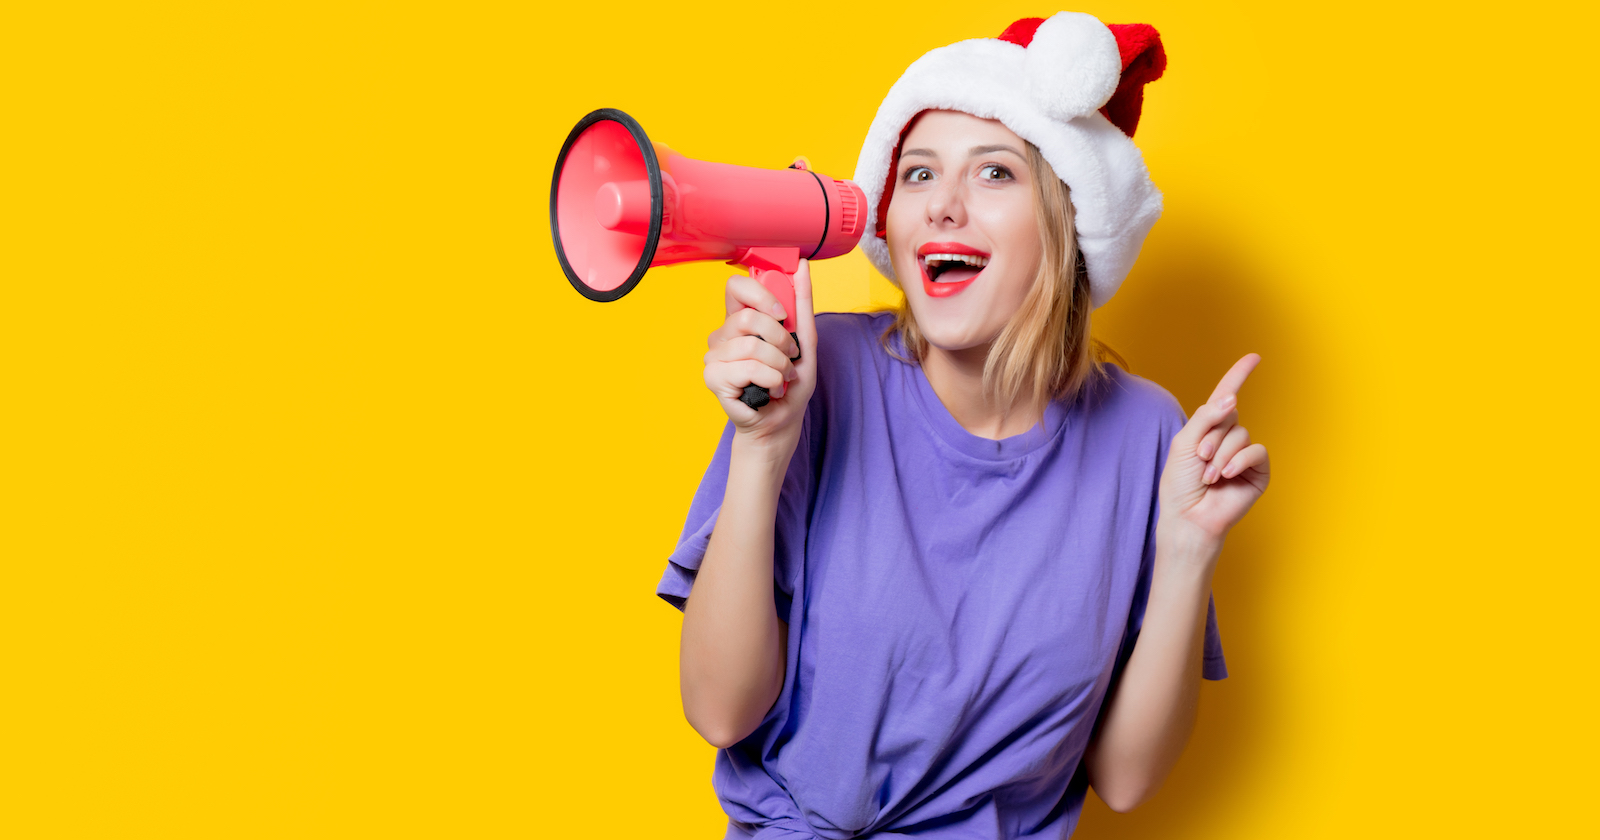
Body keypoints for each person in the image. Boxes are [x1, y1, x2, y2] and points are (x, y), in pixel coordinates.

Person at [655, 12, 1270, 839]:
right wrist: (764, 448)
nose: (942, 205)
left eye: (994, 172)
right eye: (917, 174)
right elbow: (721, 711)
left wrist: (1190, 549)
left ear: (1068, 216)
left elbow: (1126, 781)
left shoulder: (1145, 433)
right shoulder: (816, 373)